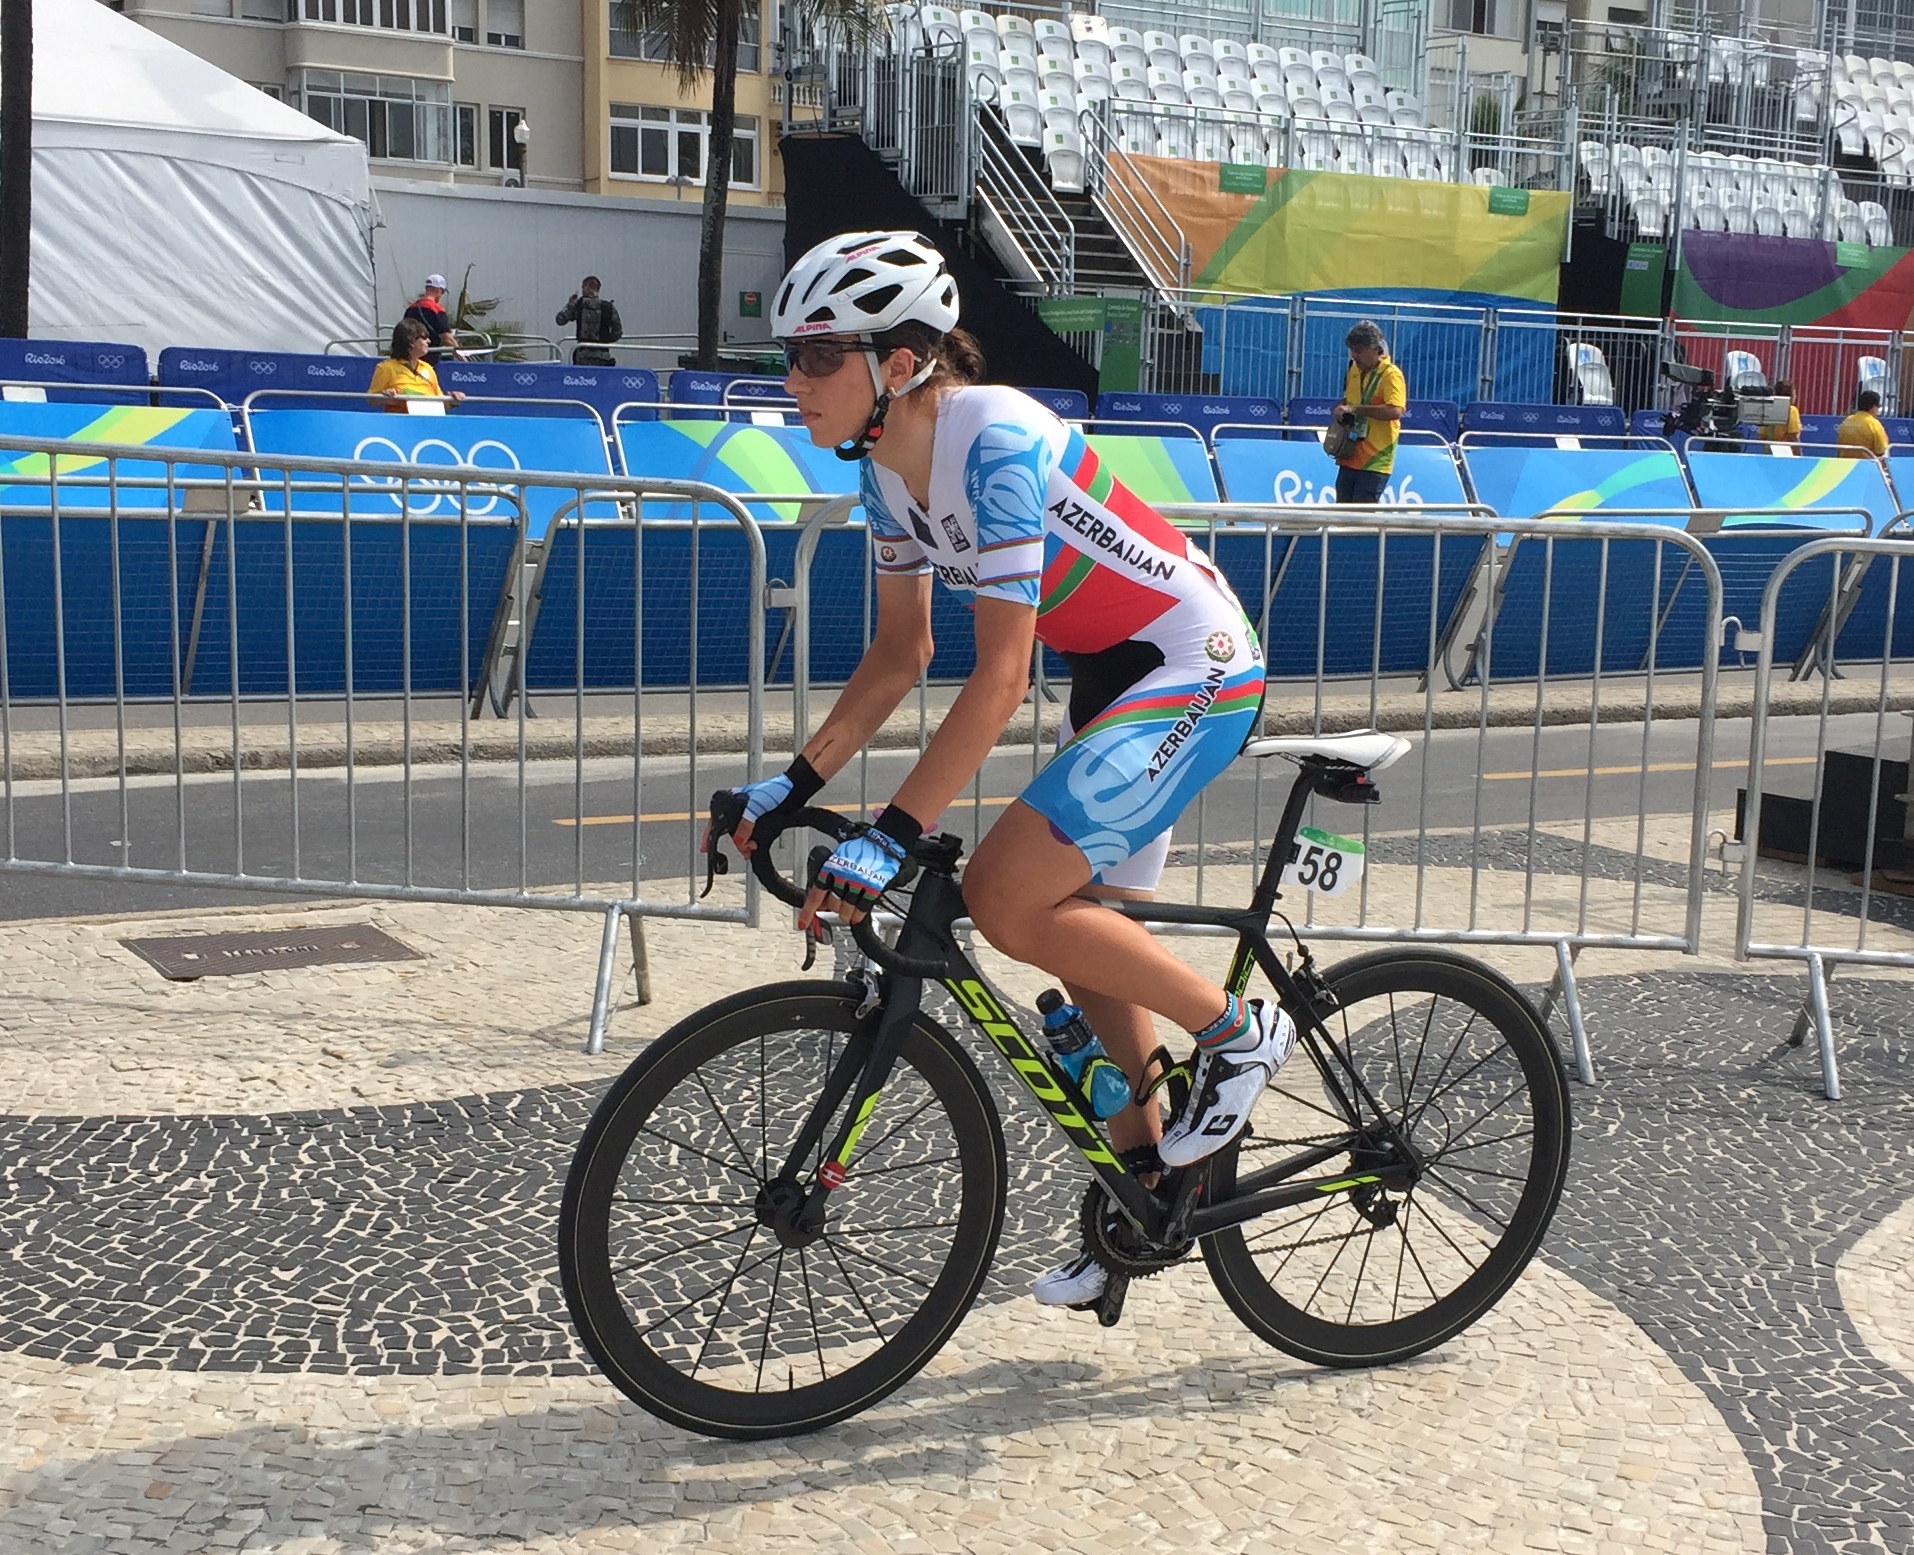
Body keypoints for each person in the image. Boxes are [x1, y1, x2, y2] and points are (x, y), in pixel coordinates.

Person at [707, 231, 1295, 1312]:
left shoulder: (997, 437)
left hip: (1194, 664)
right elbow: (901, 655)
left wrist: (892, 829)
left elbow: (1002, 674)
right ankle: (1148, 1198)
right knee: (1087, 953)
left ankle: (1238, 1030)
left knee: (1004, 894)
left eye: (817, 357)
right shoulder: (887, 471)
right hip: (1113, 681)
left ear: (899, 363)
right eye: (791, 355)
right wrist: (788, 785)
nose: (794, 381)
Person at [1330, 320, 1407, 504]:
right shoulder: (1353, 370)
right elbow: (1349, 400)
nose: (1354, 356)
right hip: (1350, 455)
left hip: (1375, 459)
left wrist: (1355, 409)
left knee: (1361, 521)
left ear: (1375, 348)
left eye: (1358, 350)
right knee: (1340, 516)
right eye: (1352, 350)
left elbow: (1395, 410)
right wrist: (1341, 408)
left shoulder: (1391, 374)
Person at [368, 319, 464, 412]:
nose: (429, 341)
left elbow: (440, 401)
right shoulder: (386, 368)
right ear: (411, 342)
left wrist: (453, 400)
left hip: (428, 424)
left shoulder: (428, 368)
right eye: (424, 337)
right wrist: (385, 397)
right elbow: (372, 400)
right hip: (400, 424)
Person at [556, 276, 623, 367]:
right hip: (603, 355)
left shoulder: (579, 305)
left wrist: (570, 304)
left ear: (587, 287)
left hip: (582, 355)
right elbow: (617, 332)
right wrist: (605, 340)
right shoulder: (609, 307)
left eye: (583, 287)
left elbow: (560, 320)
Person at [403, 274, 461, 359]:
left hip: (412, 356)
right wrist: (462, 356)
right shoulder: (437, 309)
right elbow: (447, 338)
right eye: (443, 292)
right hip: (430, 356)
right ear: (438, 290)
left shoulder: (411, 308)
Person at [1836, 389, 1889, 459]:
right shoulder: (1873, 423)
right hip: (1866, 465)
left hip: (1845, 464)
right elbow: (1882, 451)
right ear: (1873, 408)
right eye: (1878, 407)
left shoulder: (1847, 421)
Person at [1759, 379, 1802, 447]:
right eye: (1795, 393)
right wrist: (1799, 454)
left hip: (1769, 450)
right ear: (1791, 395)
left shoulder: (1768, 410)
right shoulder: (1791, 410)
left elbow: (1761, 436)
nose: (1796, 396)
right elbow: (1793, 436)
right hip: (1786, 451)